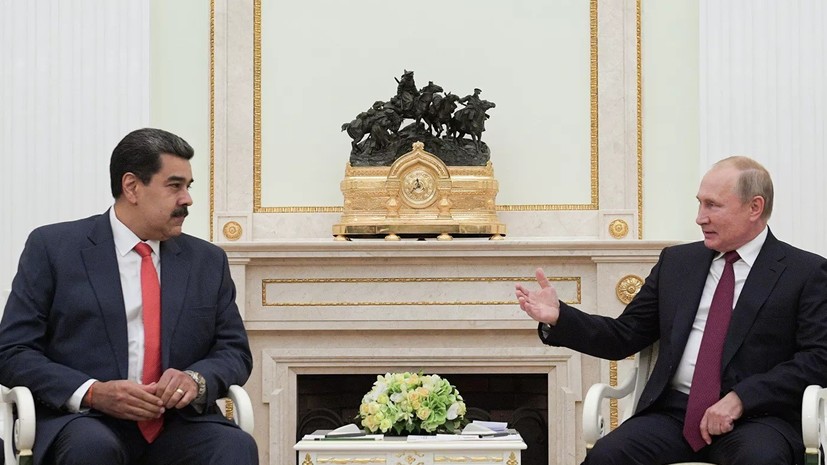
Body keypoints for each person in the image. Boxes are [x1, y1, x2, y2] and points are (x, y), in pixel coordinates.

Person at [515, 156, 827, 464]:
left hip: (758, 419)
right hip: (675, 415)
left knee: (761, 460)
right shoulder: (677, 263)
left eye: (712, 205)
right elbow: (624, 336)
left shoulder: (805, 272)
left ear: (754, 207)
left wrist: (741, 399)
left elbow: (818, 359)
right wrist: (560, 317)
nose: (700, 218)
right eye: (699, 204)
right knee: (605, 457)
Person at [0, 128, 257, 465]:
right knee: (92, 447)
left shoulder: (207, 261)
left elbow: (234, 351)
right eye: (175, 186)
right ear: (132, 187)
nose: (187, 199)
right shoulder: (54, 249)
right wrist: (93, 392)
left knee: (234, 446)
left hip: (178, 423)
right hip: (85, 420)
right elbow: (12, 352)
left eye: (188, 187)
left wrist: (195, 380)